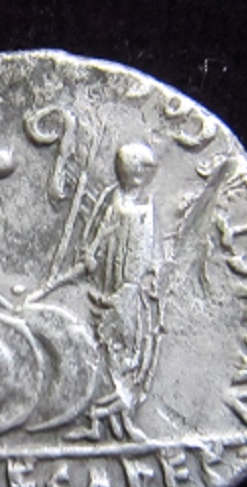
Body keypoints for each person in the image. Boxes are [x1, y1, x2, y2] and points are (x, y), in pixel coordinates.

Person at [69, 142, 162, 441]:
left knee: (128, 353)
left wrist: (151, 273)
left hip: (133, 290)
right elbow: (104, 229)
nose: (134, 174)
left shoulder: (147, 203)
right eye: (133, 168)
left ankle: (115, 420)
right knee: (110, 349)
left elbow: (151, 247)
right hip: (111, 287)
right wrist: (91, 252)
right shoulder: (115, 199)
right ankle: (100, 421)